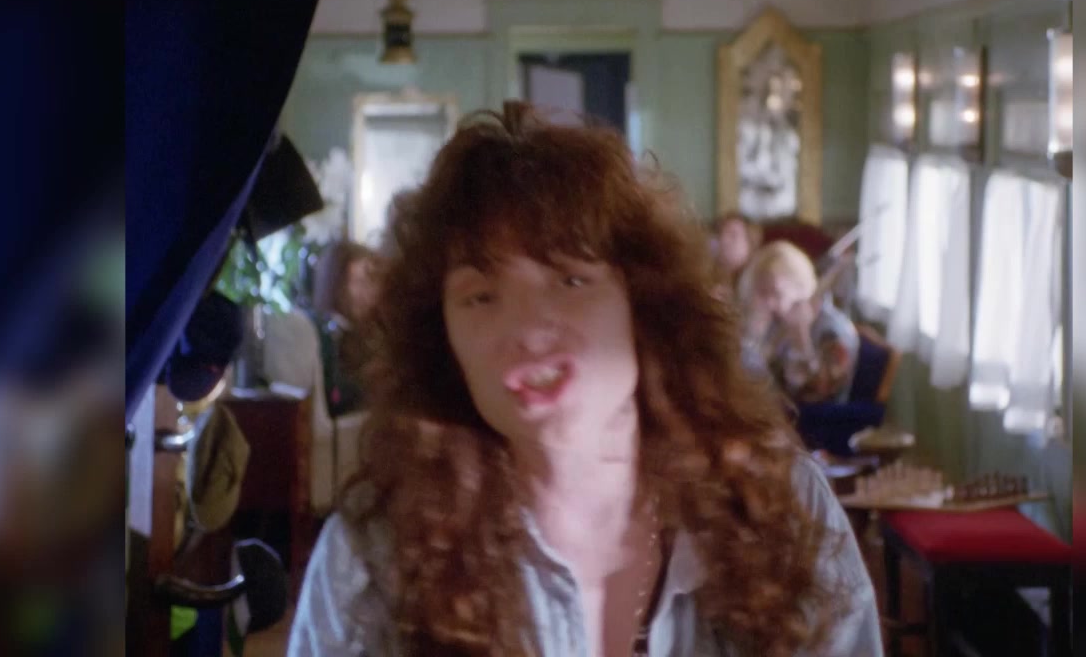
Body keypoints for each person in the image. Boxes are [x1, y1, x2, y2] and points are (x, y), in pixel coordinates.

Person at [288, 103, 882, 657]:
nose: (526, 329)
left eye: (570, 280)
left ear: (644, 305)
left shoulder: (780, 504)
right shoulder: (373, 557)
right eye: (481, 296)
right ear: (441, 338)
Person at [738, 240, 860, 405]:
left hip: (817, 416)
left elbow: (819, 392)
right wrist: (753, 334)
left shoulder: (834, 330)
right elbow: (754, 377)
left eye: (775, 293)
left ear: (801, 285)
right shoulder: (778, 322)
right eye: (763, 294)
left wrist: (800, 336)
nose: (770, 304)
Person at [308, 240, 381, 417]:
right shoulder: (327, 337)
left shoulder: (379, 335)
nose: (368, 291)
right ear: (335, 285)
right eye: (359, 282)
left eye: (373, 281)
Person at [709, 211, 760, 304]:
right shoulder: (707, 274)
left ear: (750, 243)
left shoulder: (757, 280)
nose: (723, 240)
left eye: (733, 235)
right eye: (720, 234)